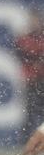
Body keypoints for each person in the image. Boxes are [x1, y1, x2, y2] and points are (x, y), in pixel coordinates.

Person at [16, 9, 44, 146]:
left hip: (41, 80)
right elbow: (21, 55)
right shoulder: (24, 38)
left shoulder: (36, 38)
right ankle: (25, 142)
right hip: (31, 81)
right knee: (29, 114)